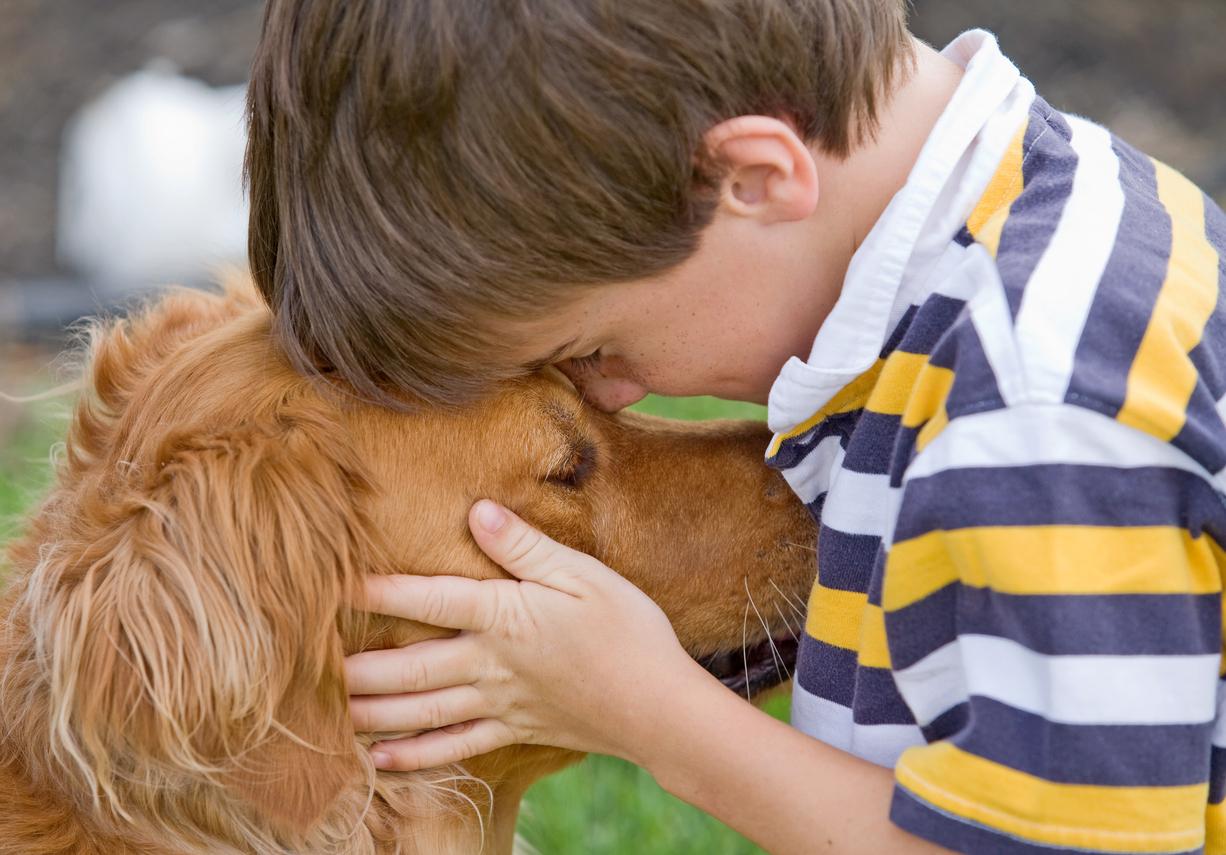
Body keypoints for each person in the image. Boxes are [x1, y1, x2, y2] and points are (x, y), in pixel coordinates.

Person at [244, 1, 1226, 851]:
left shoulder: (1031, 414)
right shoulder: (1054, 221)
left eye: (594, 348)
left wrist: (652, 714)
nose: (618, 394)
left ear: (751, 179)